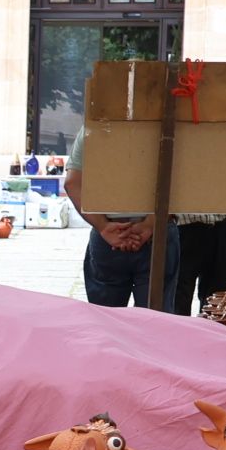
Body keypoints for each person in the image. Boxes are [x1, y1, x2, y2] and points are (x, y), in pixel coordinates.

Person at [67, 123, 179, 312]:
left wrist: (103, 226)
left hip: (109, 235)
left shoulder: (94, 126)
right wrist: (150, 224)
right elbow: (183, 182)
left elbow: (72, 183)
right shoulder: (166, 125)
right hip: (157, 236)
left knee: (106, 323)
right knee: (155, 326)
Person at [171, 214, 226, 316]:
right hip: (184, 227)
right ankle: (178, 331)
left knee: (218, 303)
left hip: (223, 228)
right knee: (178, 300)